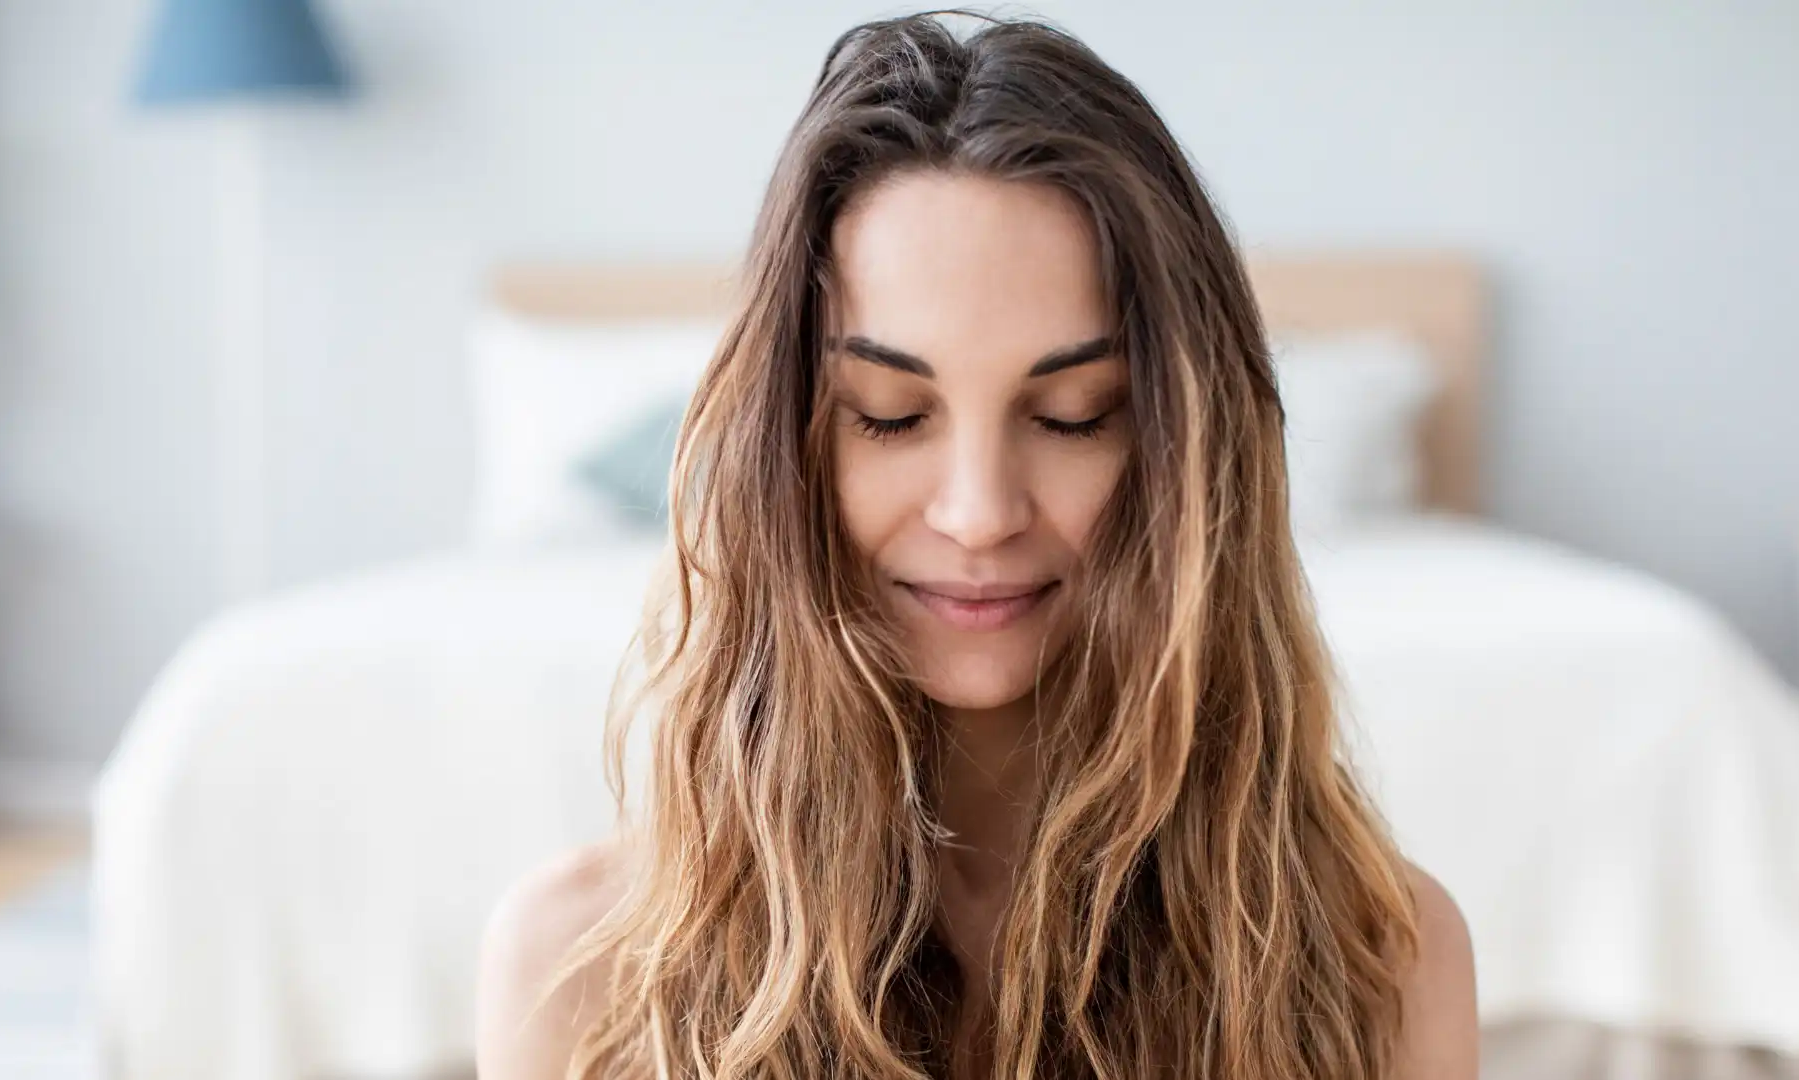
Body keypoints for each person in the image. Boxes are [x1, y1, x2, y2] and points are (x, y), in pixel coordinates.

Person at [477, 11, 1476, 1079]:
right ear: (786, 452)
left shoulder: (1384, 958)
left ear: (1187, 455)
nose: (979, 512)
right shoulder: (577, 965)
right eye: (890, 415)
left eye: (1076, 414)